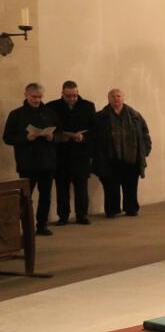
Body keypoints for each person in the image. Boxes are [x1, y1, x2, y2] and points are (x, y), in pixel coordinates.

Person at [3, 83, 58, 235]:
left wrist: (52, 136)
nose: (37, 100)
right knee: (26, 197)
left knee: (46, 195)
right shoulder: (16, 114)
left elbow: (59, 135)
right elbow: (7, 138)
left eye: (40, 97)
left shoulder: (49, 113)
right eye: (34, 97)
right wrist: (26, 138)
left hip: (47, 161)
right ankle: (26, 226)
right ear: (26, 95)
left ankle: (42, 225)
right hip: (27, 162)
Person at [92, 88, 152, 218]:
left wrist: (144, 151)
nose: (116, 98)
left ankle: (131, 208)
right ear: (108, 99)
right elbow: (94, 138)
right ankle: (112, 210)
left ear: (123, 98)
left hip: (131, 158)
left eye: (118, 96)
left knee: (130, 186)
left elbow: (144, 134)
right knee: (110, 187)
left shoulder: (135, 115)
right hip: (110, 159)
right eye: (113, 96)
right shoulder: (101, 117)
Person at [47, 81, 96, 226]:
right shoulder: (52, 106)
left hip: (81, 153)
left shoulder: (88, 106)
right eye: (68, 96)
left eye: (74, 95)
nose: (72, 99)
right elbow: (49, 128)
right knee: (62, 187)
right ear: (62, 93)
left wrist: (83, 137)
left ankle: (82, 215)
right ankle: (63, 216)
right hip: (60, 153)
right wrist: (58, 136)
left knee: (81, 186)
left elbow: (95, 130)